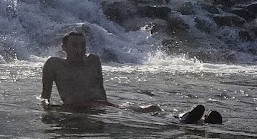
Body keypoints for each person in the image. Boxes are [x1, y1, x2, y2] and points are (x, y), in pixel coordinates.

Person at [42, 30, 222, 122]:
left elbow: (101, 89)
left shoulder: (93, 61)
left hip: (104, 106)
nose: (79, 49)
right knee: (135, 114)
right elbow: (45, 98)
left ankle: (198, 120)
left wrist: (107, 110)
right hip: (82, 109)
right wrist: (50, 113)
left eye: (83, 45)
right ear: (63, 48)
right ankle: (186, 120)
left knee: (153, 107)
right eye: (74, 45)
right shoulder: (54, 64)